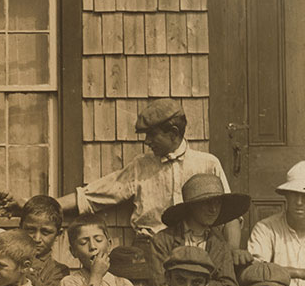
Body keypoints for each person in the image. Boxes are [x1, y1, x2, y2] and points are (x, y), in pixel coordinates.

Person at [57, 98, 242, 258]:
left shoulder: (207, 163)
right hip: (149, 247)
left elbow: (230, 215)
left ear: (173, 133)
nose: (146, 141)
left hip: (195, 248)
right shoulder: (141, 165)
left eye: (152, 135)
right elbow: (96, 194)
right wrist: (49, 205)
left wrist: (232, 252)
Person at [150, 173, 249, 286]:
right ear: (191, 206)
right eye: (206, 203)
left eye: (217, 203)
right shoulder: (162, 241)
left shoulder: (219, 244)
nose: (213, 209)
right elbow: (160, 284)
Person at [248, 161, 305, 286]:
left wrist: (278, 270)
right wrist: (299, 273)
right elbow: (257, 271)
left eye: (304, 195)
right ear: (286, 196)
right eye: (294, 194)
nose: (299, 202)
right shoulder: (266, 228)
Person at [20, 195, 71, 286]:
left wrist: (24, 271)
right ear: (21, 227)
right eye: (30, 230)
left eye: (45, 232)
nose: (37, 239)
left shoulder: (59, 271)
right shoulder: (7, 260)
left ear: (58, 234)